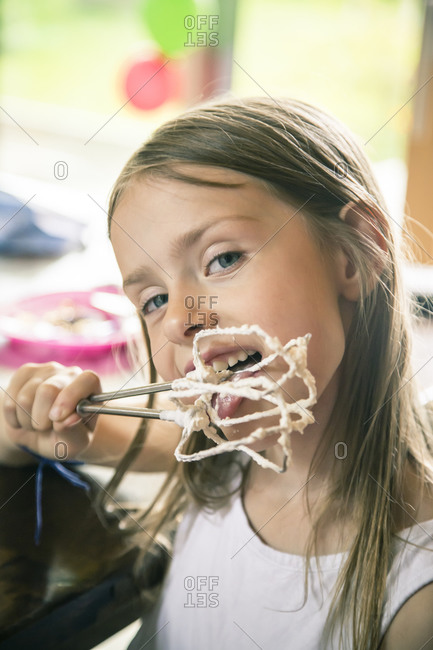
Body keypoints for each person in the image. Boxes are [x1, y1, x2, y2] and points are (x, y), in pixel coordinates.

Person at [1, 96, 433, 649]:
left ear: (357, 253)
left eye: (223, 259)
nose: (181, 319)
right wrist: (39, 414)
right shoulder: (221, 457)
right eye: (153, 298)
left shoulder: (414, 600)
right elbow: (40, 435)